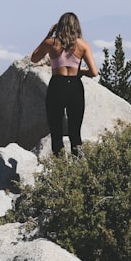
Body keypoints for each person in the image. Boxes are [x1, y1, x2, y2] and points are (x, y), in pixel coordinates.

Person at [31, 12, 99, 156]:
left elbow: (34, 58)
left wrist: (48, 36)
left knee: (56, 132)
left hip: (57, 85)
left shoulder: (51, 43)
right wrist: (79, 72)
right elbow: (94, 72)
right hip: (75, 86)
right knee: (75, 133)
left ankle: (59, 170)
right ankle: (77, 171)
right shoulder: (83, 45)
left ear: (59, 26)